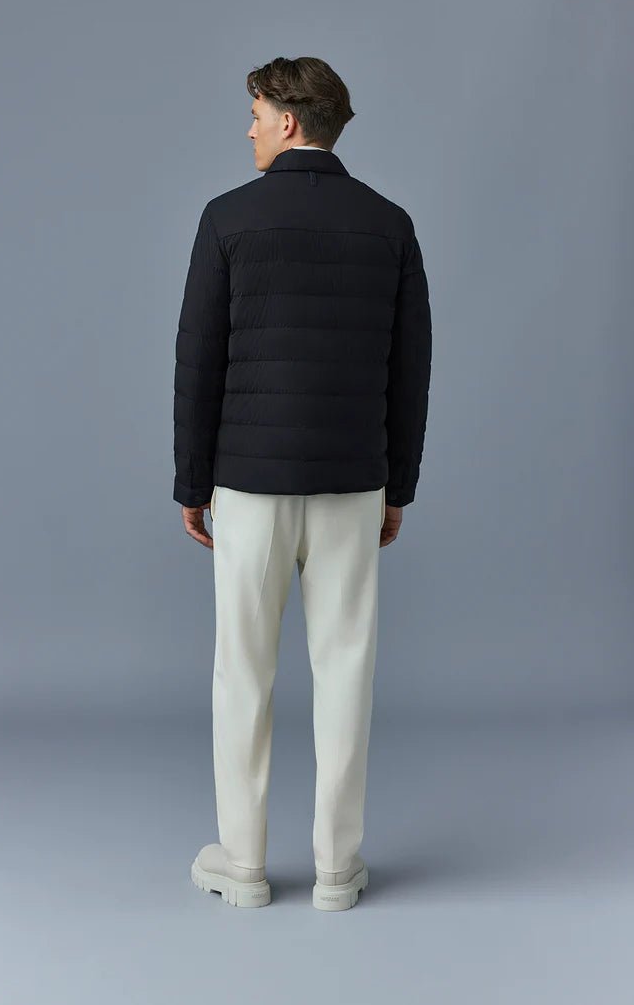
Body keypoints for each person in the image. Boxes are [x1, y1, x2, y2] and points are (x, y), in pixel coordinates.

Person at [173, 56, 432, 910]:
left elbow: (199, 363)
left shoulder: (228, 218)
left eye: (254, 113)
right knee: (346, 668)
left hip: (249, 485)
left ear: (288, 121)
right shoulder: (389, 224)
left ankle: (243, 865)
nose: (247, 127)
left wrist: (192, 482)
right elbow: (410, 371)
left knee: (242, 672)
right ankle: (336, 869)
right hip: (352, 483)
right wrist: (397, 486)